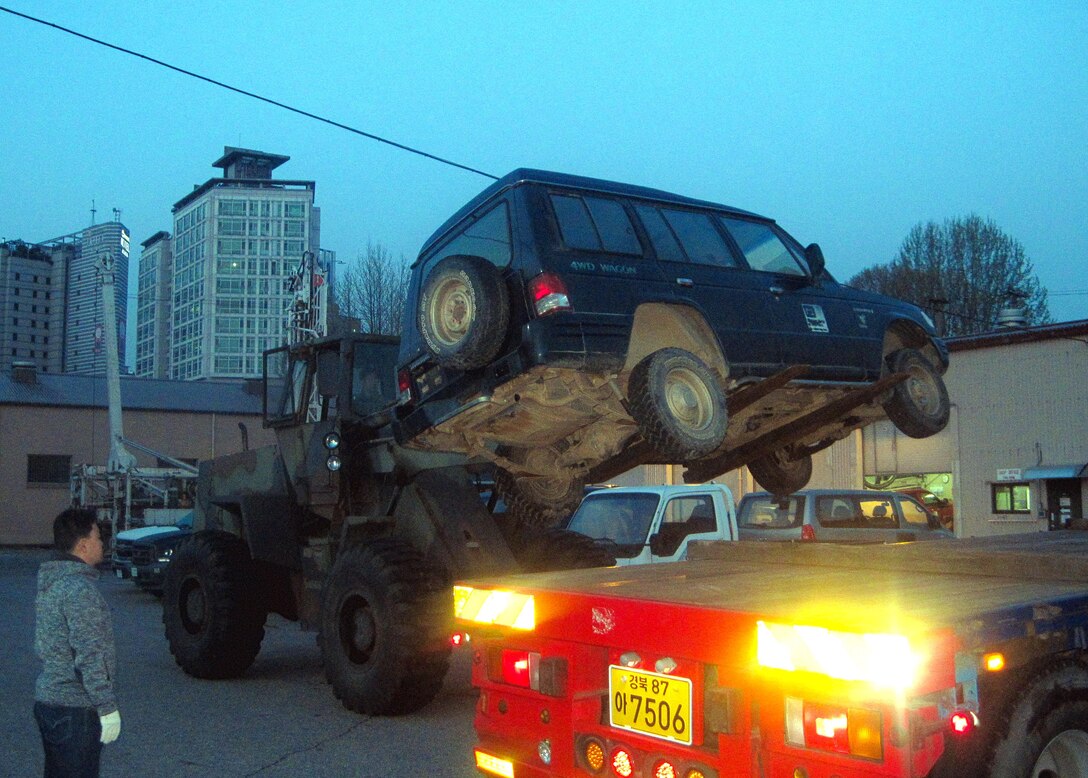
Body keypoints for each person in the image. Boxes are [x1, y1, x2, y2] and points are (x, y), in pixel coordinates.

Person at [33, 508, 121, 777]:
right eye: (97, 536)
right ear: (83, 545)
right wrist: (107, 709)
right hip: (75, 711)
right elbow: (90, 655)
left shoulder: (53, 583)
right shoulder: (79, 591)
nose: (102, 543)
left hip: (50, 703)